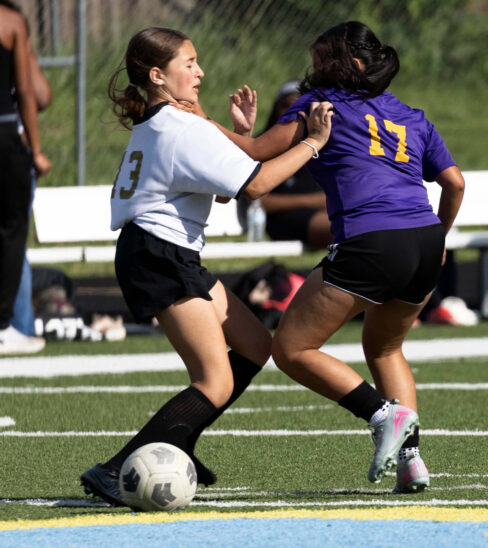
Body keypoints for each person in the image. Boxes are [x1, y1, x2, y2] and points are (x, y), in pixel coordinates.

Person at [79, 27, 333, 507]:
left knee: (257, 345)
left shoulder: (165, 123)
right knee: (214, 380)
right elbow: (256, 188)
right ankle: (115, 470)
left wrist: (242, 138)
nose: (200, 72)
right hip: (159, 253)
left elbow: (221, 188)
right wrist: (313, 142)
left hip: (164, 251)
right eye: (189, 63)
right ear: (158, 75)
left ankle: (177, 444)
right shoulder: (181, 127)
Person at [223, 21, 465, 493]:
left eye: (321, 62)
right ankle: (411, 460)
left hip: (371, 239)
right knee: (385, 347)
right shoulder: (411, 114)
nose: (312, 72)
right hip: (424, 241)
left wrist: (191, 115)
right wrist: (439, 238)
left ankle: (379, 415)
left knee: (291, 349)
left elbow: (254, 154)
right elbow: (455, 183)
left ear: (351, 65)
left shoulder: (320, 107)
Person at [0, 0, 51, 354]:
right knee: (12, 231)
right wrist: (35, 150)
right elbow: (33, 93)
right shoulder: (11, 22)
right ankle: (8, 325)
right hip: (4, 136)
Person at [236, 80, 333, 249]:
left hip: (322, 214)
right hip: (282, 219)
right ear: (276, 109)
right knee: (344, 228)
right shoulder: (263, 146)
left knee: (361, 224)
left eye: (301, 106)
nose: (293, 112)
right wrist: (313, 201)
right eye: (286, 105)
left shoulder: (322, 143)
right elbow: (258, 201)